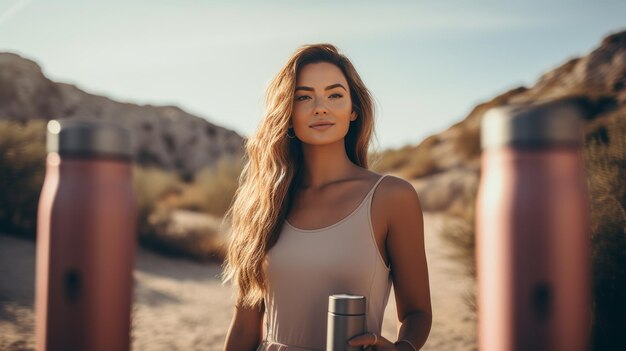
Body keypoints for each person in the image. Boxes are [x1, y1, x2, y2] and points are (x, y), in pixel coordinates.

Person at [222, 44, 431, 351]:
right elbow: (243, 328)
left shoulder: (391, 197)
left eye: (335, 95)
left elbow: (418, 313)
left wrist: (403, 349)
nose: (320, 107)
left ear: (353, 109)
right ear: (288, 113)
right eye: (303, 97)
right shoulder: (261, 205)